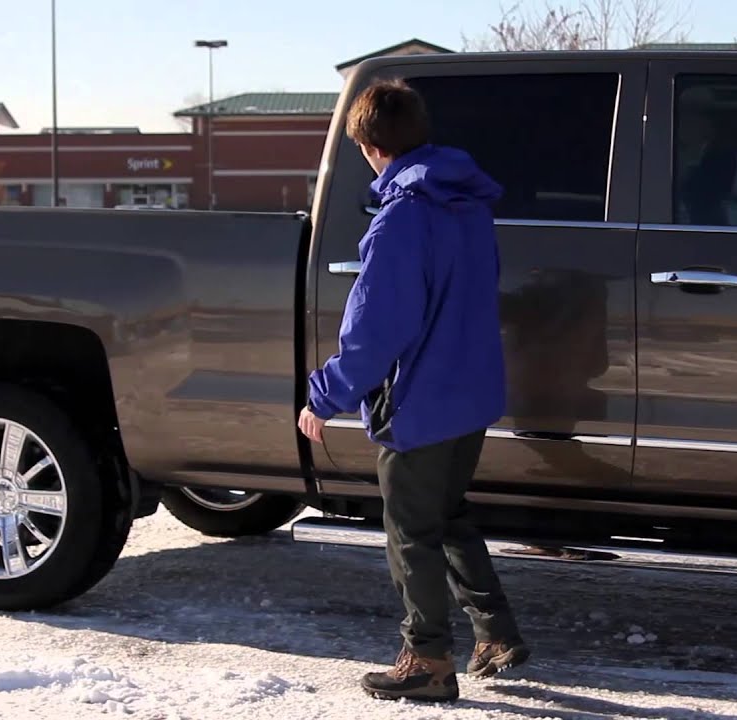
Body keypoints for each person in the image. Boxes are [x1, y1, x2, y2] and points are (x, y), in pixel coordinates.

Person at [297, 78, 528, 703]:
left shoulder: (401, 220)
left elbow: (374, 330)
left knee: (409, 531)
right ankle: (495, 633)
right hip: (471, 393)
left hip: (421, 404)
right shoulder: (468, 206)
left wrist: (325, 395)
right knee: (446, 515)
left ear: (371, 147)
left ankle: (427, 660)